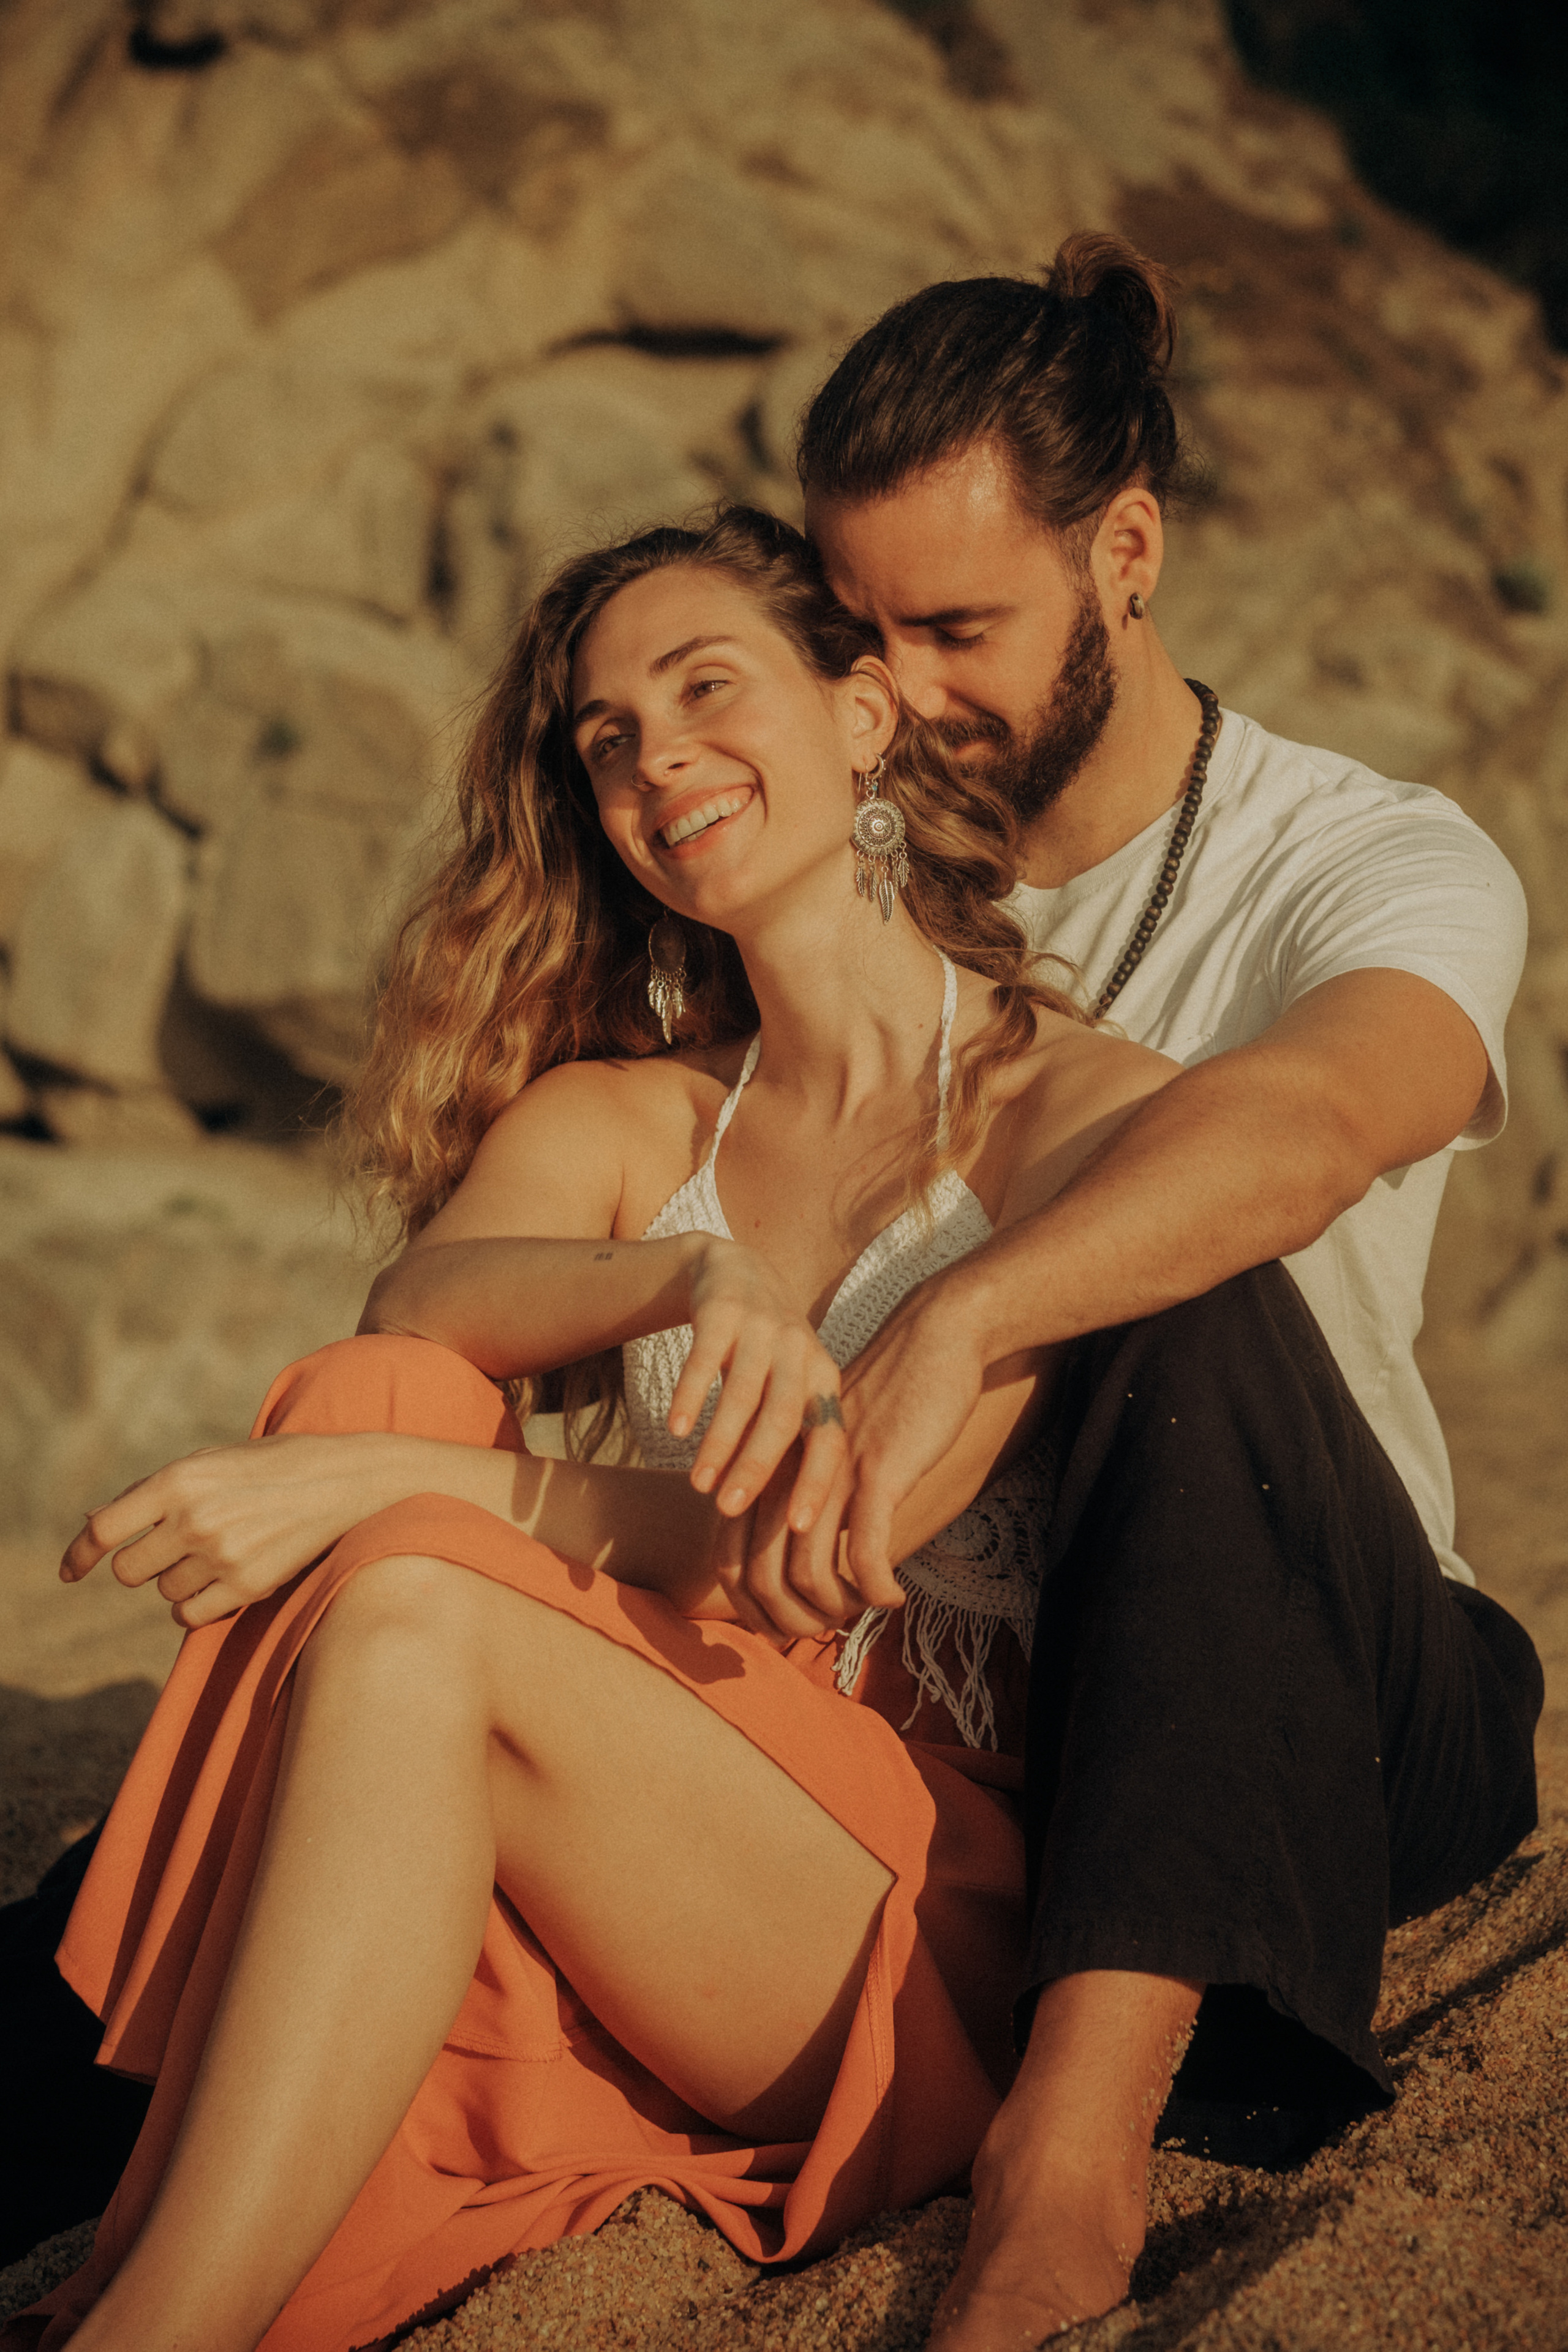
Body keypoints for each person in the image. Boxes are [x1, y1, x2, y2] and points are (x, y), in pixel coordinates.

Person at [10, 505, 1204, 2352]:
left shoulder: (1074, 1114)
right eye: (607, 739)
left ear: (864, 715)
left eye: (705, 688)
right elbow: (422, 1309)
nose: (658, 760)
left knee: (403, 1558)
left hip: (896, 1910)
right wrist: (685, 1284)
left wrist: (405, 1489)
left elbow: (832, 1550)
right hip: (659, 1782)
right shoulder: (646, 1120)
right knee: (370, 1394)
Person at [747, 232, 1539, 2346]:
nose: (899, 690)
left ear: (1128, 551)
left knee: (1169, 1235)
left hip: (1331, 1677)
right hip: (935, 1665)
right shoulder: (835, 857)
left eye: (960, 625)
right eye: (859, 629)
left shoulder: (1372, 854)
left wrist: (970, 1314)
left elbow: (1318, 1126)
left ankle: (1071, 2165)